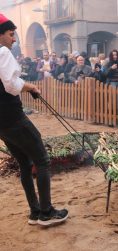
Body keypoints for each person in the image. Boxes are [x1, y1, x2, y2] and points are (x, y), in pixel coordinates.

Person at [0, 14, 68, 226]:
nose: (14, 39)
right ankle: (46, 212)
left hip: (2, 123)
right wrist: (31, 86)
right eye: (11, 34)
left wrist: (27, 86)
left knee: (24, 162)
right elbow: (11, 84)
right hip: (13, 118)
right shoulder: (2, 51)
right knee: (42, 160)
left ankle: (35, 212)